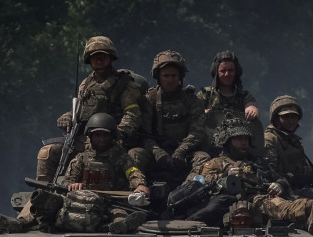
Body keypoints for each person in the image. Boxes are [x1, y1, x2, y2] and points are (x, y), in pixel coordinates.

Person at [0, 113, 148, 233]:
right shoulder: (81, 158)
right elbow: (68, 180)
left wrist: (140, 186)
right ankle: (19, 223)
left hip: (108, 201)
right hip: (77, 200)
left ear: (112, 136)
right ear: (90, 136)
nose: (101, 139)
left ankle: (121, 226)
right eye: (97, 135)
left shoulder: (121, 158)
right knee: (45, 202)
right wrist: (72, 185)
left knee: (118, 213)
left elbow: (133, 172)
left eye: (105, 135)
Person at [35, 36, 144, 182]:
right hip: (87, 139)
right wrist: (67, 117)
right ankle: (43, 192)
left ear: (111, 58)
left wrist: (116, 135)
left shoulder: (125, 84)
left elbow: (132, 115)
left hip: (114, 140)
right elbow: (79, 110)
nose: (98, 61)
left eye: (102, 57)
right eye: (94, 57)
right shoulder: (86, 84)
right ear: (89, 60)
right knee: (47, 152)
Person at [129, 50, 210, 189]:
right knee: (133, 155)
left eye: (174, 75)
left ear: (180, 76)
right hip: (156, 153)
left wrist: (181, 151)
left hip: (185, 153)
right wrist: (157, 151)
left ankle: (187, 190)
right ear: (158, 77)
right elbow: (144, 135)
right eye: (166, 76)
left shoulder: (192, 101)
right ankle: (140, 188)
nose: (170, 80)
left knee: (203, 158)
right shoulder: (149, 100)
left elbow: (197, 132)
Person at [264, 95, 313, 198]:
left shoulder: (293, 140)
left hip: (295, 186)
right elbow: (269, 172)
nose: (291, 121)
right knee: (311, 195)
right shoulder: (270, 139)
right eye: (286, 117)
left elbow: (307, 168)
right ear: (276, 118)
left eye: (294, 117)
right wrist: (288, 181)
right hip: (279, 189)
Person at [196, 51, 263, 156]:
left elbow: (251, 105)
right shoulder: (205, 95)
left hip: (238, 150)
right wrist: (201, 113)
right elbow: (193, 114)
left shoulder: (243, 96)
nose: (227, 74)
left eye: (231, 70)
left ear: (236, 72)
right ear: (216, 72)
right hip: (209, 149)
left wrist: (251, 109)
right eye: (223, 71)